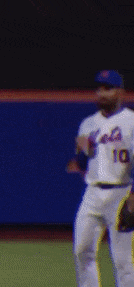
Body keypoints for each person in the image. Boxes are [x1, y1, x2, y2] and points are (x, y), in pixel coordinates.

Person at [66, 70, 134, 287]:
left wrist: (133, 198)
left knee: (123, 259)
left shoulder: (131, 122)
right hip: (93, 193)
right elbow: (83, 164)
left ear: (120, 92)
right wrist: (81, 154)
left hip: (121, 191)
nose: (101, 93)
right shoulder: (87, 124)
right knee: (82, 250)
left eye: (108, 88)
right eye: (99, 88)